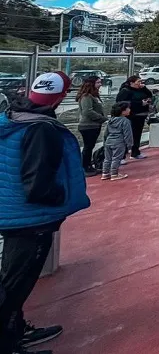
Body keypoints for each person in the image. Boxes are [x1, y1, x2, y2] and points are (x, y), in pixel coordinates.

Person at [0, 71, 90, 354]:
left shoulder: (13, 116)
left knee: (12, 279)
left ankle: (15, 330)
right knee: (15, 285)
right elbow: (37, 184)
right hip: (30, 218)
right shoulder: (42, 129)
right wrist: (61, 196)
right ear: (60, 97)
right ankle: (7, 344)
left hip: (11, 211)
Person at [115, 76, 153, 160]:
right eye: (138, 82)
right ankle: (121, 156)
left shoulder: (141, 89)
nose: (140, 83)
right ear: (131, 83)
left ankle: (135, 152)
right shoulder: (125, 91)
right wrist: (139, 103)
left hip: (141, 115)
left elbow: (150, 95)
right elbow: (121, 102)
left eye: (141, 81)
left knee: (137, 134)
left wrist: (145, 89)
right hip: (130, 116)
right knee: (127, 135)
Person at [75, 76, 106, 177]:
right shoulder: (86, 96)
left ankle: (88, 165)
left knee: (90, 146)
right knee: (88, 147)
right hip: (88, 125)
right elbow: (87, 111)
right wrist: (102, 118)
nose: (100, 84)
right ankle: (85, 167)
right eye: (98, 82)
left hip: (94, 125)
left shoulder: (93, 95)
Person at [101, 102, 133, 181]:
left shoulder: (110, 120)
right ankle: (114, 174)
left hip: (108, 141)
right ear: (123, 111)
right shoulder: (125, 121)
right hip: (119, 142)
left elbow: (106, 133)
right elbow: (128, 134)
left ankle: (105, 173)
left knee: (107, 158)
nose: (129, 110)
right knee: (116, 158)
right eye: (128, 108)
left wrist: (104, 143)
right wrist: (129, 146)